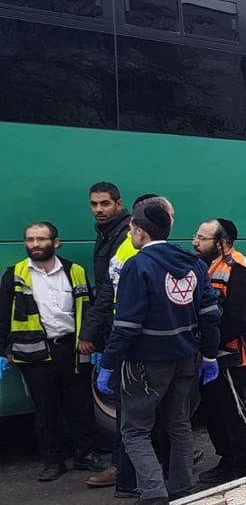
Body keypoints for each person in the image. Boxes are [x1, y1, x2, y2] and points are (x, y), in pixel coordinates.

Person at [96, 197, 221, 505]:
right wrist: (209, 355)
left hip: (145, 363)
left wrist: (108, 365)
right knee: (178, 424)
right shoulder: (193, 263)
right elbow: (209, 313)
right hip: (185, 358)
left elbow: (126, 325)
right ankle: (181, 487)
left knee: (135, 430)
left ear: (138, 231)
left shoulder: (138, 265)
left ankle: (153, 495)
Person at [0, 223, 105, 481]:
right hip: (34, 353)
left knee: (79, 406)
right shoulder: (15, 274)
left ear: (55, 243)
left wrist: (93, 341)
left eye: (41, 239)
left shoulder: (75, 272)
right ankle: (53, 461)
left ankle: (85, 455)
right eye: (30, 240)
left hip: (71, 348)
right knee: (45, 410)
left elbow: (89, 309)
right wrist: (3, 350)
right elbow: (3, 316)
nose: (35, 244)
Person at [193, 218, 246, 484]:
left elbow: (234, 321)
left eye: (202, 238)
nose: (195, 242)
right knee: (215, 411)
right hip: (218, 354)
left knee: (233, 413)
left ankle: (243, 464)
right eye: (196, 236)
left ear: (221, 243)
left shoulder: (238, 271)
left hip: (235, 356)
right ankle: (227, 460)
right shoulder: (213, 267)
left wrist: (208, 346)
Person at [79, 182, 135, 488]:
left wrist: (89, 332)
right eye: (94, 204)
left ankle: (121, 468)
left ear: (118, 204)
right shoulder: (107, 233)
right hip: (118, 327)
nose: (98, 209)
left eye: (104, 204)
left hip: (124, 331)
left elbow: (107, 292)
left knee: (126, 407)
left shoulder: (122, 237)